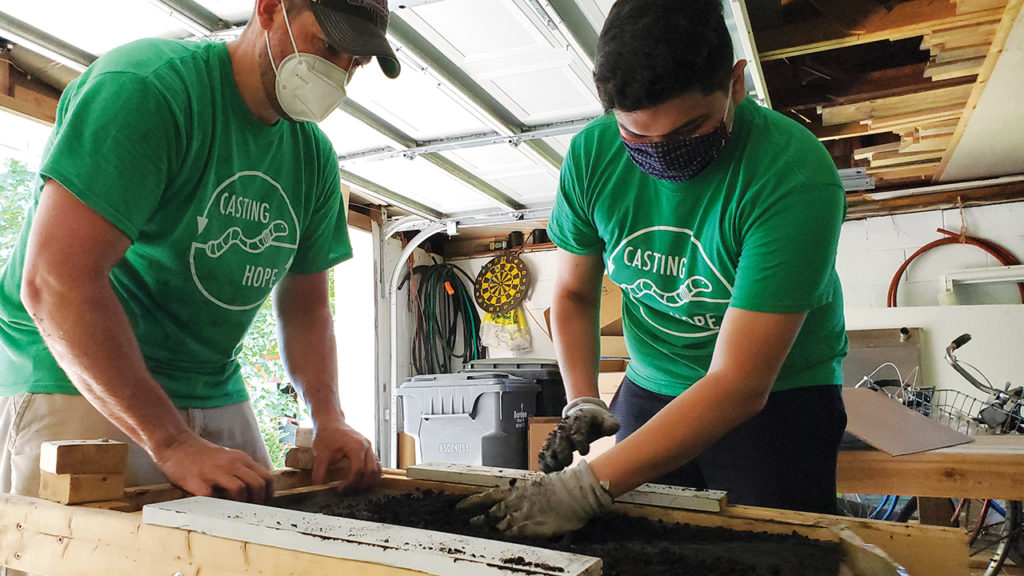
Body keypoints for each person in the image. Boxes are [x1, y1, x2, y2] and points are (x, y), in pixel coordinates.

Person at [460, 0, 848, 538]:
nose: (662, 157)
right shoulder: (592, 155)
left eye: (690, 130)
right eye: (637, 138)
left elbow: (739, 383)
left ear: (736, 84)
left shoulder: (794, 174)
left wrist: (581, 487)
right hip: (652, 385)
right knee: (639, 544)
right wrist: (583, 397)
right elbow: (573, 294)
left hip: (777, 398)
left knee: (769, 552)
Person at [0, 0, 400, 504]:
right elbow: (57, 282)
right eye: (329, 46)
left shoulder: (313, 158)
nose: (339, 72)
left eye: (355, 62)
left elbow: (307, 310)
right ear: (270, 8)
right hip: (74, 379)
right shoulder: (147, 88)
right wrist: (170, 442)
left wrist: (328, 417)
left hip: (212, 385)